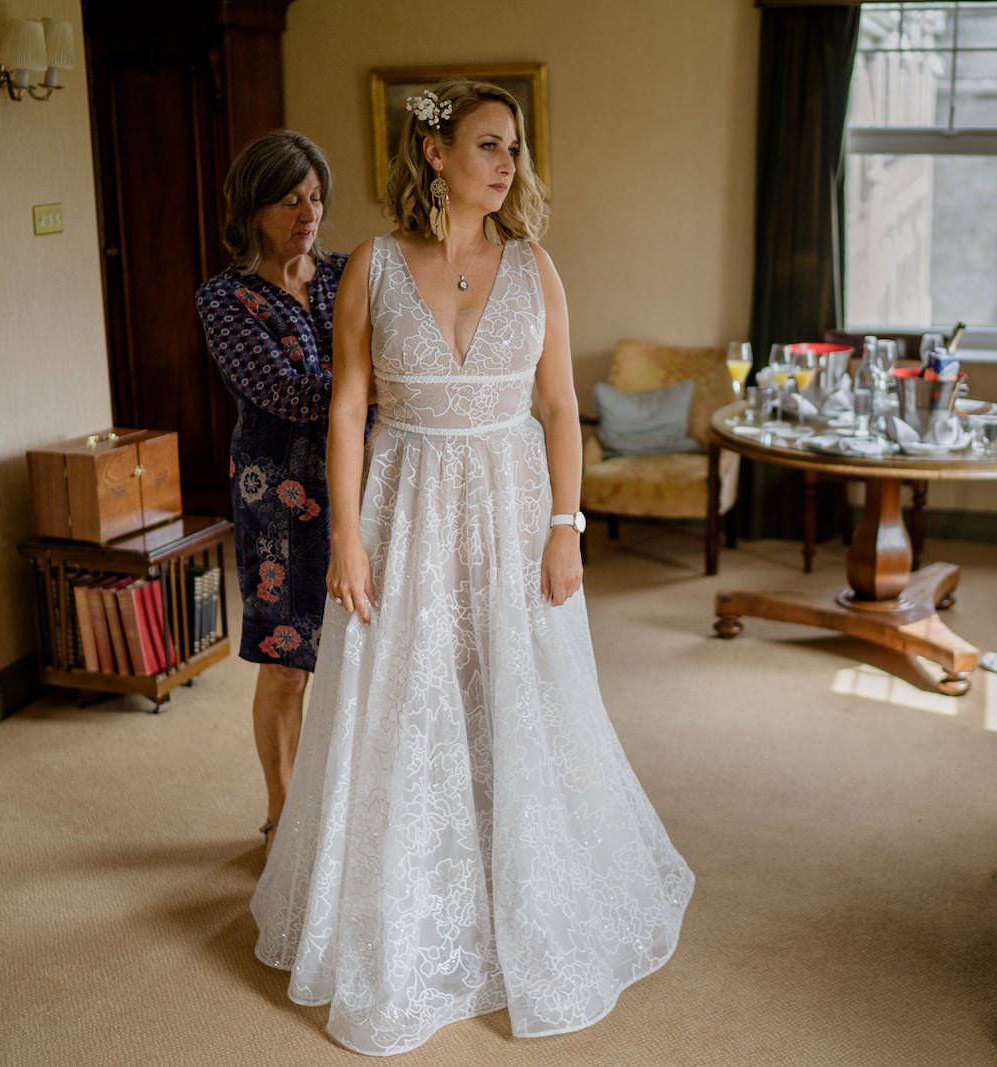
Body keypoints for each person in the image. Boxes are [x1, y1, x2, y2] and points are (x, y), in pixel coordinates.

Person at [250, 80, 693, 1056]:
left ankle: (524, 887)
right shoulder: (369, 263)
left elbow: (555, 409)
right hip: (403, 503)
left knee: (514, 689)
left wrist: (567, 523)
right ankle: (409, 904)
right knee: (410, 694)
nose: (507, 165)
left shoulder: (536, 268)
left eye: (515, 150)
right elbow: (346, 406)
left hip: (510, 502)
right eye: (489, 145)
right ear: (434, 155)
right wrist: (349, 540)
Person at [194, 131, 344, 854]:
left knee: (355, 658)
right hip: (276, 495)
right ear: (252, 208)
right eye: (290, 199)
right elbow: (283, 395)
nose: (307, 212)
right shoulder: (225, 300)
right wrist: (371, 386)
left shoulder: (350, 276)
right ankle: (282, 814)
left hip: (361, 485)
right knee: (287, 663)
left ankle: (344, 809)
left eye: (315, 197)